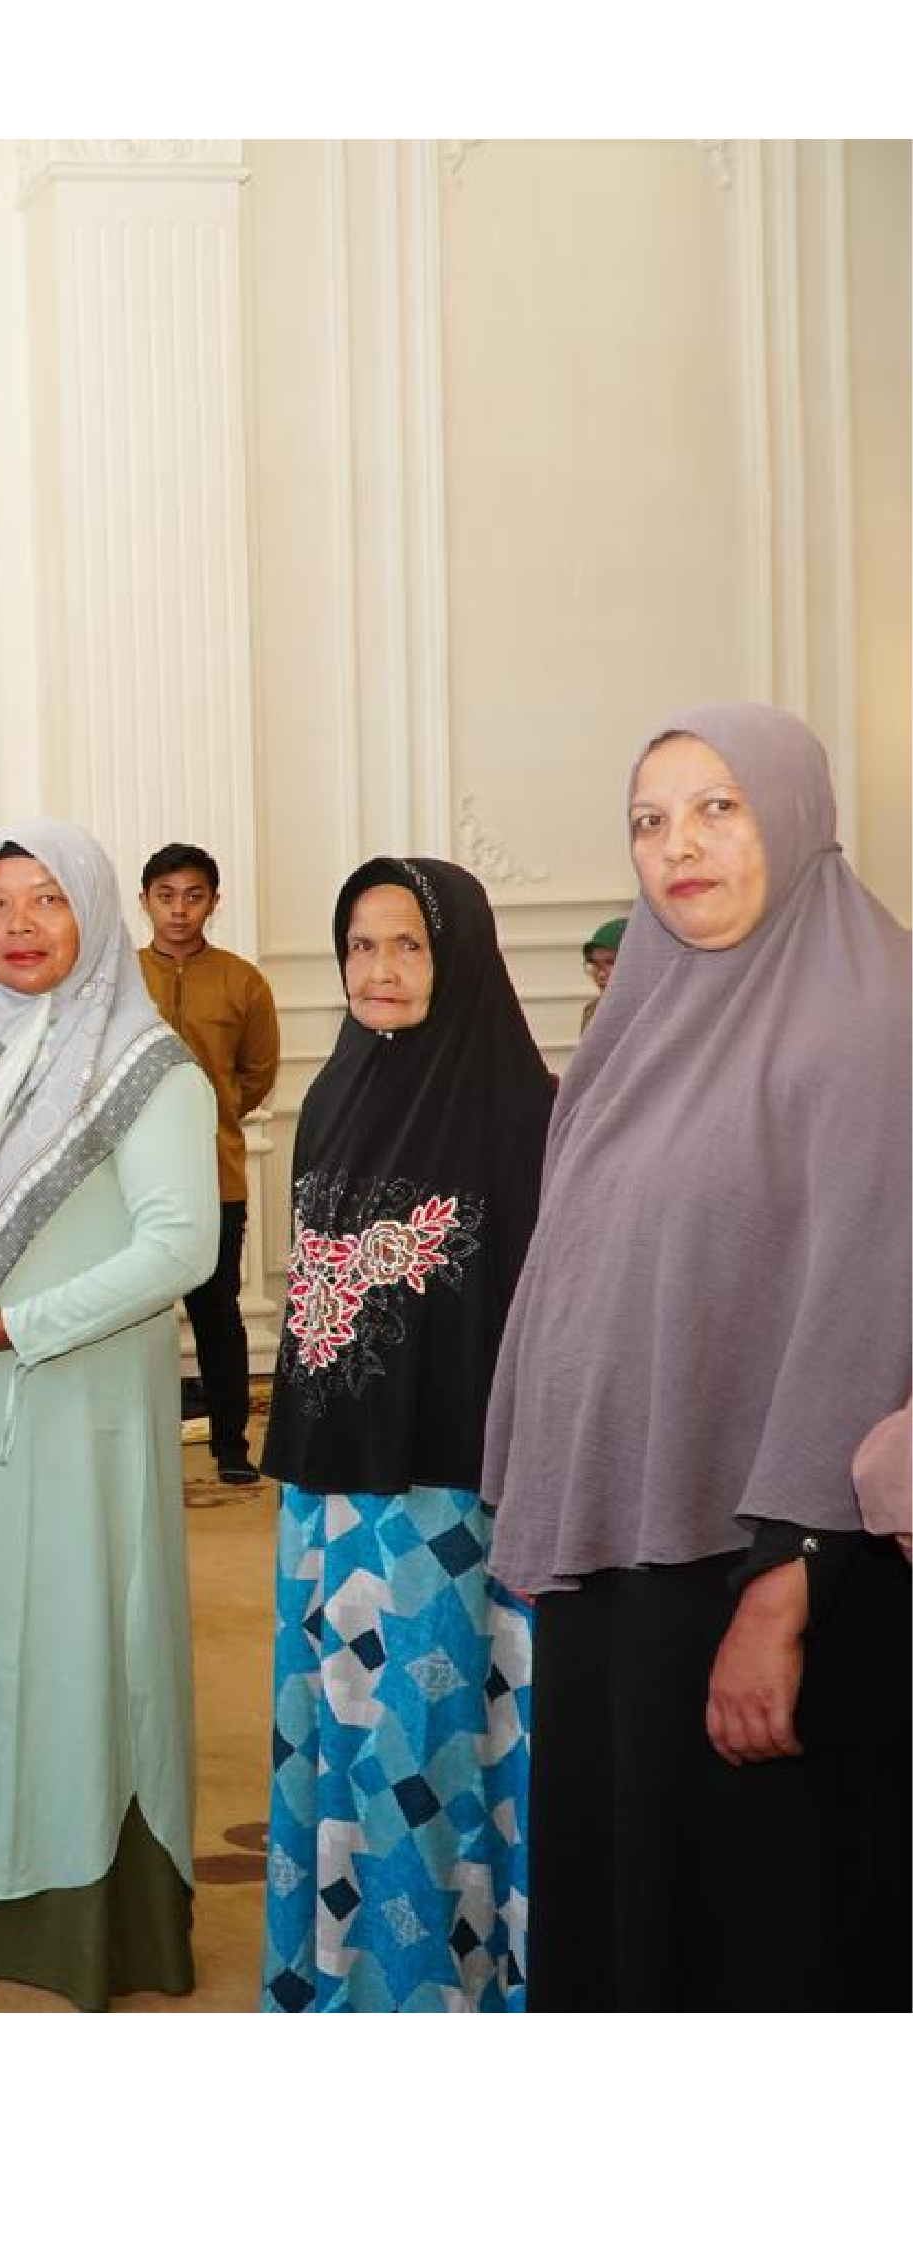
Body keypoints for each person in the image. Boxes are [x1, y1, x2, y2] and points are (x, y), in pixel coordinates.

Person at [482, 703, 912, 2012]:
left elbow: (861, 1319)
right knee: (631, 1900)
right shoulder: (647, 1017)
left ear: (792, 811)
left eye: (717, 806)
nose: (678, 845)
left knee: (750, 1926)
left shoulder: (870, 1018)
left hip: (771, 1569)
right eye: (648, 819)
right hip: (629, 1549)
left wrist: (779, 1594)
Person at [0, 822, 216, 2009]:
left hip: (75, 1411)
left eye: (46, 899)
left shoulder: (146, 1063)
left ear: (92, 911)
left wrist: (16, 1326)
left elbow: (181, 1246)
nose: (17, 924)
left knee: (75, 1645)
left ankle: (86, 1910)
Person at [257, 857, 549, 2011]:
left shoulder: (519, 1113)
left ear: (459, 956)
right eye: (358, 945)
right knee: (331, 1739)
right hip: (329, 1493)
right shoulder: (334, 1091)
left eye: (406, 945)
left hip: (446, 1498)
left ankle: (435, 1992)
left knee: (425, 1750)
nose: (376, 969)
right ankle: (333, 1983)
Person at [135, 843, 279, 1486]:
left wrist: (205, 1120)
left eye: (193, 897)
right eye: (166, 896)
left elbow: (256, 1075)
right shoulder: (118, 978)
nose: (179, 910)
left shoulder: (243, 982)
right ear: (145, 902)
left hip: (214, 1175)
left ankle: (231, 1445)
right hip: (129, 1177)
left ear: (213, 903)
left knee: (217, 1314)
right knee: (132, 1315)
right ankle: (136, 1444)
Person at [576, 915, 625, 1033]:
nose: (601, 975)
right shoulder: (592, 1012)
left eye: (610, 963)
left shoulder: (654, 1014)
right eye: (595, 964)